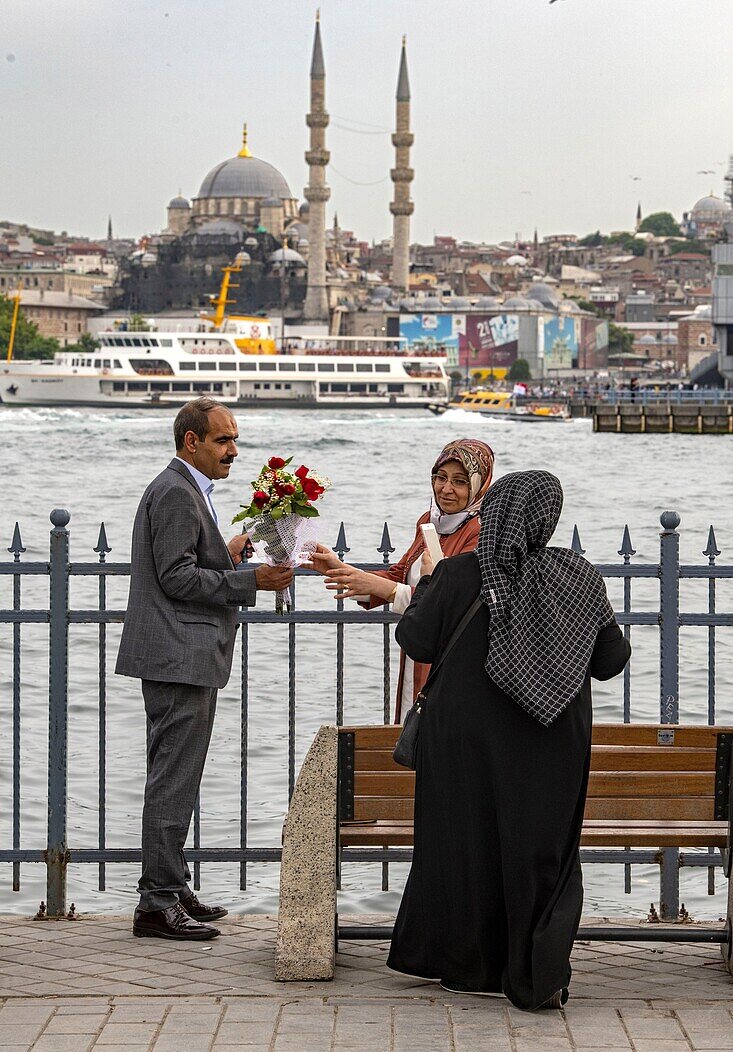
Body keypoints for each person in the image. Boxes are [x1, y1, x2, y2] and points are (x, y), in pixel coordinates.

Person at [386, 470, 631, 1009]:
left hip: (462, 743)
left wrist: (429, 580)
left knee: (463, 844)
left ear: (492, 510)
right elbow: (612, 661)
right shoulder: (577, 575)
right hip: (552, 742)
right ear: (547, 518)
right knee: (538, 850)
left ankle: (467, 967)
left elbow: (414, 637)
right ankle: (535, 968)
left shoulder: (457, 574)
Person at [115, 397, 293, 941]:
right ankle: (156, 902)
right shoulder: (174, 491)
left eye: (234, 440)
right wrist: (250, 583)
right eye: (223, 440)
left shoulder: (188, 491)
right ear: (191, 441)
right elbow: (176, 578)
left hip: (183, 655)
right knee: (172, 780)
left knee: (178, 779)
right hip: (178, 657)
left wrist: (232, 551)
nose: (233, 451)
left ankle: (172, 885)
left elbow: (193, 564)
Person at [307, 438, 494, 722]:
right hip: (417, 655)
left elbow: (455, 602)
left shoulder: (482, 531)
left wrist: (389, 590)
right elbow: (399, 574)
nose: (446, 489)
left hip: (455, 662)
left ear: (480, 486)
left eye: (460, 481)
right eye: (440, 477)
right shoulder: (429, 521)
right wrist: (338, 569)